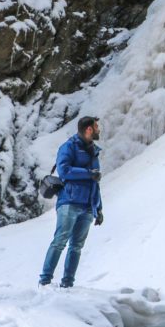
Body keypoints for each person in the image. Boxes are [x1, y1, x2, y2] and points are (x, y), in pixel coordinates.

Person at [39, 116, 104, 288]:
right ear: (89, 129)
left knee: (76, 246)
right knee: (60, 241)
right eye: (96, 127)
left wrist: (99, 208)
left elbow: (95, 182)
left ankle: (67, 284)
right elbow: (64, 170)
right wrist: (88, 173)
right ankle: (44, 281)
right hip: (69, 202)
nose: (99, 130)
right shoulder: (69, 146)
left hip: (88, 206)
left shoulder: (94, 150)